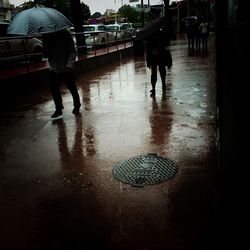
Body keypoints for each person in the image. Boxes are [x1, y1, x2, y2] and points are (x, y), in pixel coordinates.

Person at [42, 29, 81, 119]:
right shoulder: (46, 35)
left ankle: (77, 105)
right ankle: (58, 109)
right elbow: (45, 54)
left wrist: (69, 65)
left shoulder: (65, 34)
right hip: (53, 68)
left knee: (71, 87)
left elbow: (72, 51)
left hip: (66, 67)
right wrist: (45, 52)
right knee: (54, 89)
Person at [143, 8, 172, 97]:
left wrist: (169, 57)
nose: (152, 15)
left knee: (162, 69)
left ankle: (163, 84)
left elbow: (167, 41)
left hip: (161, 52)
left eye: (153, 14)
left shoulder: (162, 24)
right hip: (153, 53)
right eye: (151, 14)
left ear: (157, 14)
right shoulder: (150, 26)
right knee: (154, 71)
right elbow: (147, 40)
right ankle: (154, 88)